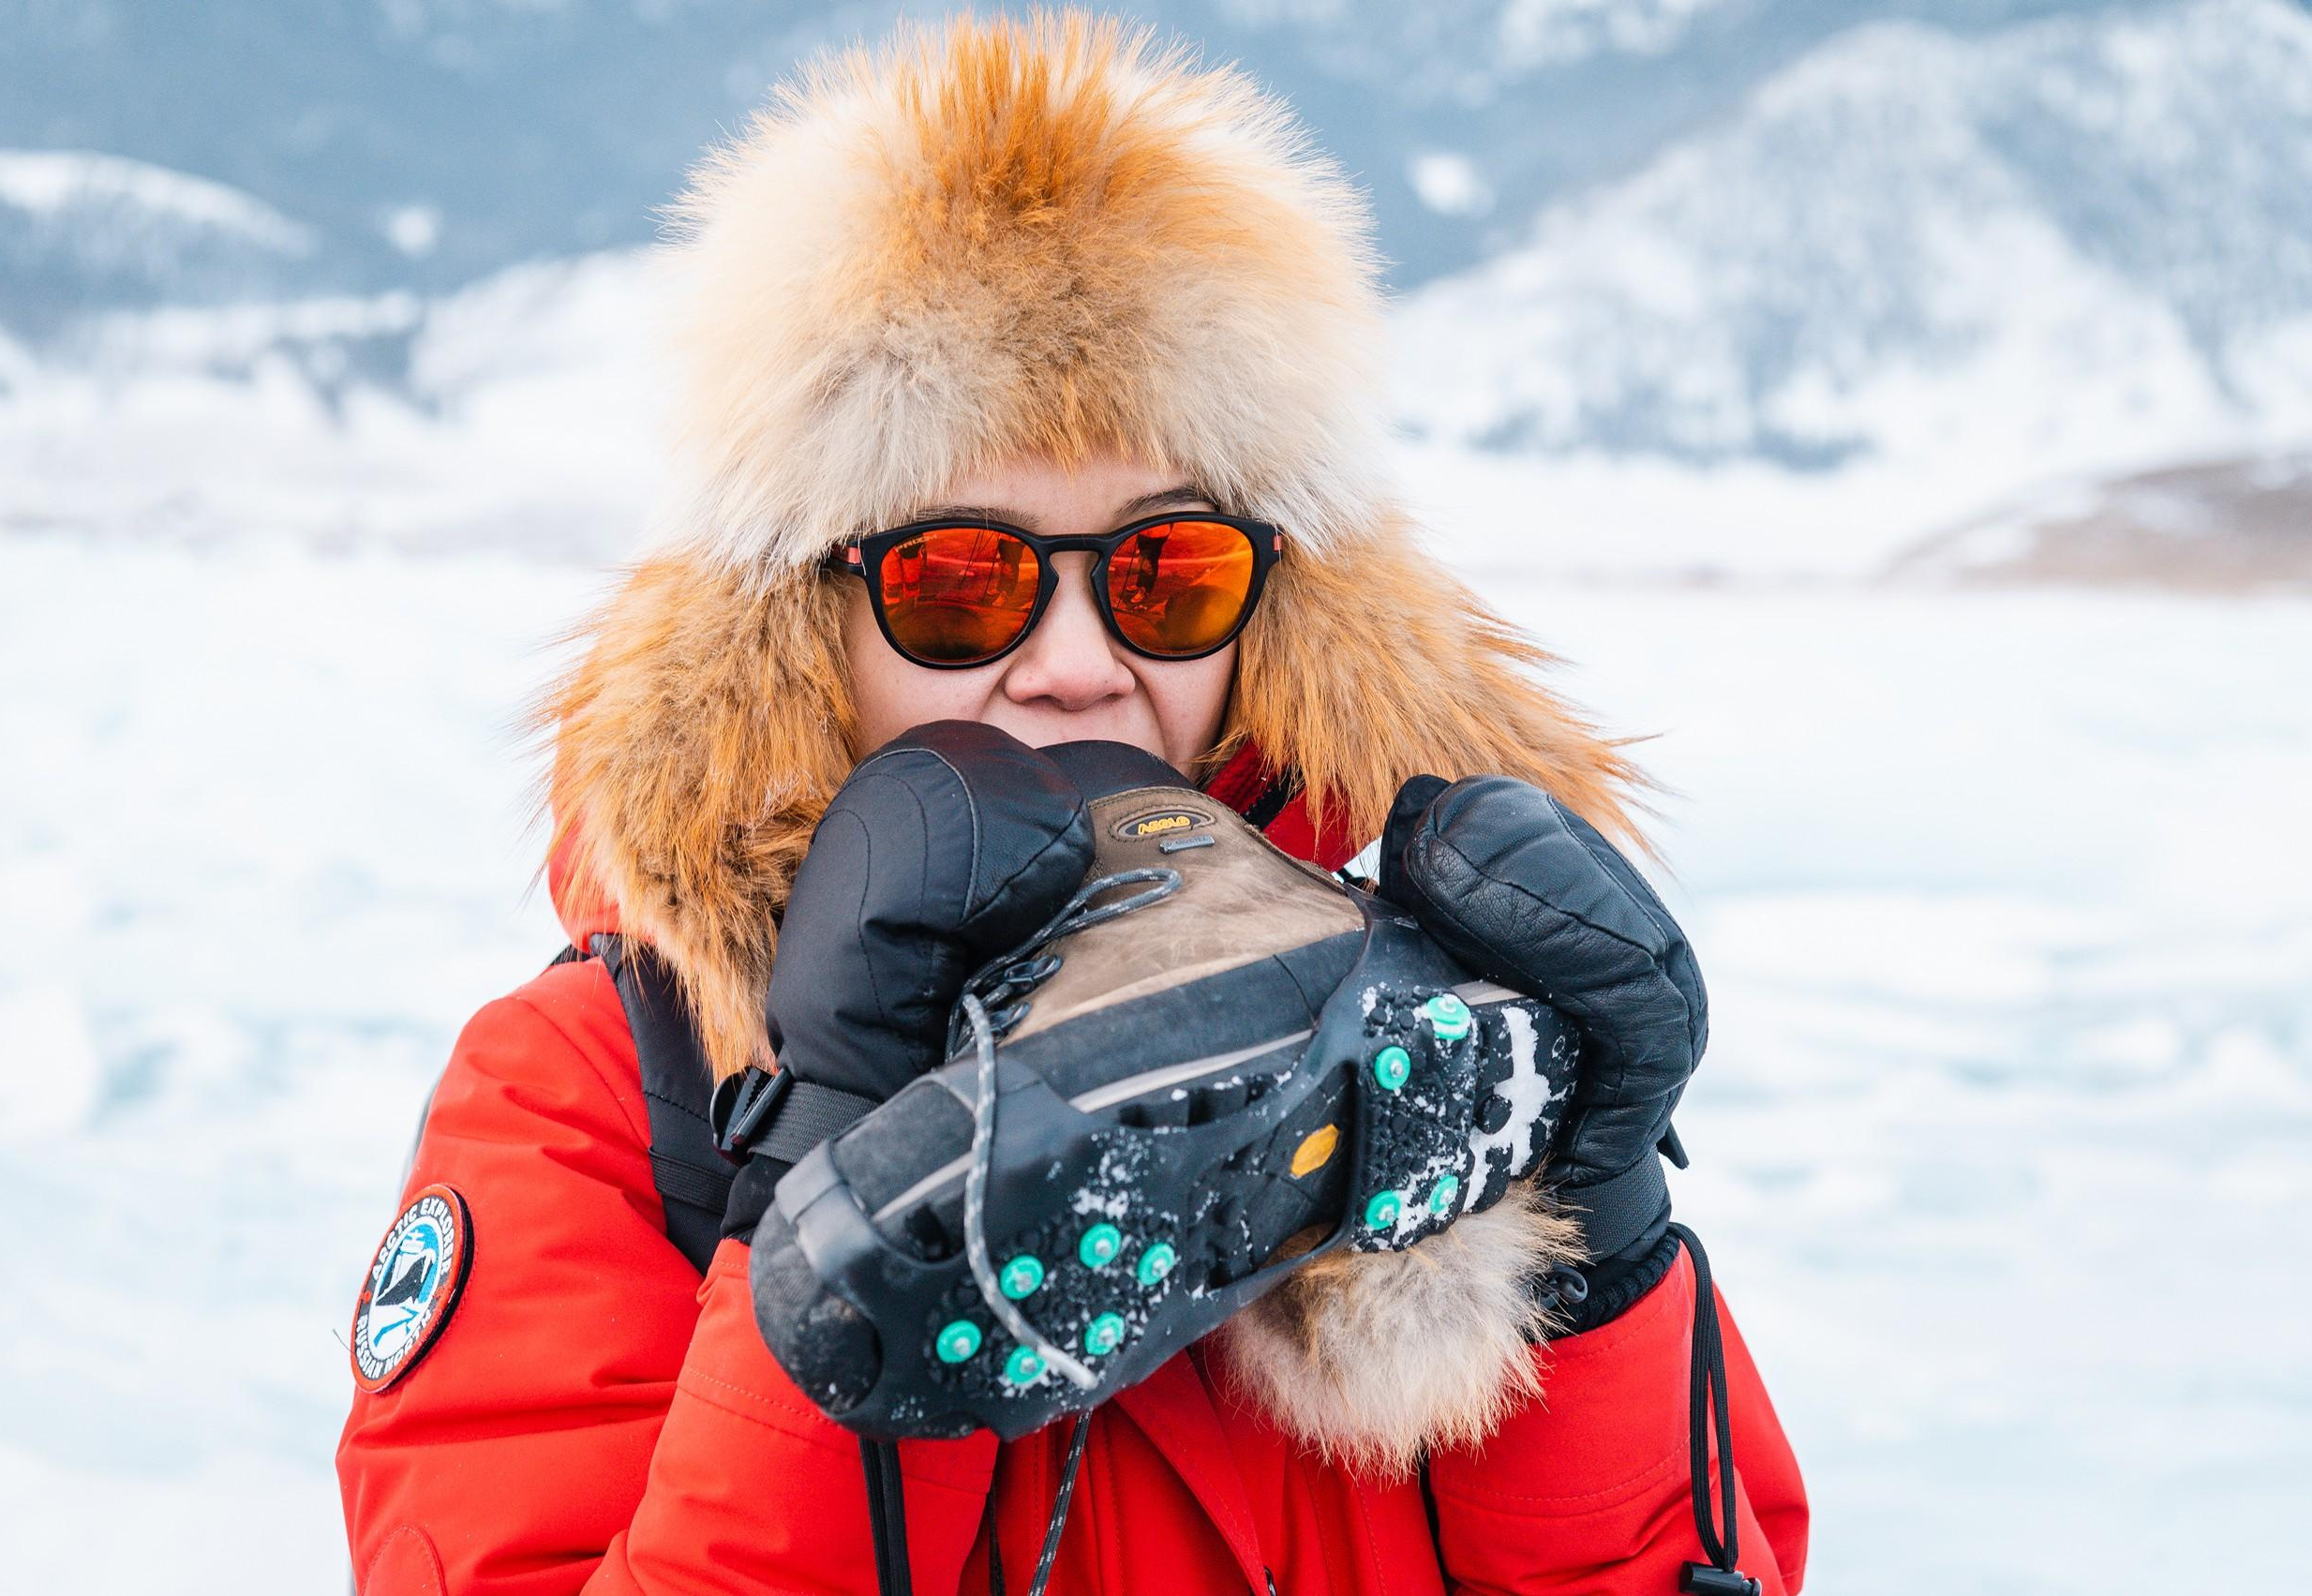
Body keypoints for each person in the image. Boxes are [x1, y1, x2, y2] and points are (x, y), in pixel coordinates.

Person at [336, 14, 1808, 1594]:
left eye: (1169, 577)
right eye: (959, 585)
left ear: (1278, 614)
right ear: (799, 629)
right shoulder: (609, 1099)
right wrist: (827, 1187)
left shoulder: (1423, 1050)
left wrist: (1597, 1241)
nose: (1074, 665)